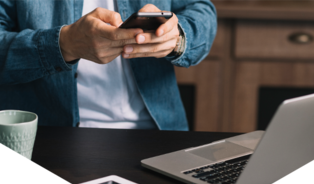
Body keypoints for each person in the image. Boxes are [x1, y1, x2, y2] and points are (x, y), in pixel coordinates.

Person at [0, 0, 217, 131]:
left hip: (157, 133)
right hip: (49, 138)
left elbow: (201, 10)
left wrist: (177, 37)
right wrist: (62, 45)